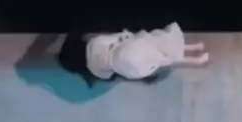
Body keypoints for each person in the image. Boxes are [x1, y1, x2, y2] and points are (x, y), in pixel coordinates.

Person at [58, 23, 209, 85]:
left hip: (125, 64)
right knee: (159, 44)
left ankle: (196, 57)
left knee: (162, 57)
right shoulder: (95, 43)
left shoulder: (94, 69)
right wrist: (129, 36)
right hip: (126, 53)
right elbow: (118, 36)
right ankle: (194, 53)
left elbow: (108, 74)